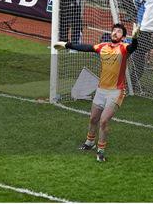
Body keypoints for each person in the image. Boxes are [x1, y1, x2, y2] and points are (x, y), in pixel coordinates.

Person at [54, 23, 139, 162]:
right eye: (114, 31)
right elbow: (86, 47)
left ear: (123, 37)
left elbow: (133, 47)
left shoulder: (124, 48)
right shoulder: (103, 46)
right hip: (101, 90)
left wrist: (135, 37)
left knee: (104, 121)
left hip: (116, 92)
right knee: (93, 119)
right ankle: (89, 142)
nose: (115, 33)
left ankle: (100, 151)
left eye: (118, 32)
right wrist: (66, 45)